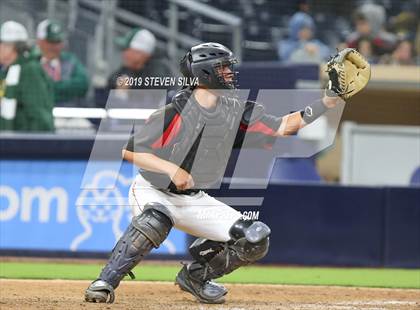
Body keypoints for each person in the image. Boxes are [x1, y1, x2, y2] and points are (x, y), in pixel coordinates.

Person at [84, 42, 341, 304]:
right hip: (153, 190)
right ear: (204, 72)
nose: (229, 72)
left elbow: (283, 126)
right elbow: (131, 152)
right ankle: (105, 282)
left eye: (229, 66)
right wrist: (172, 169)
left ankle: (196, 276)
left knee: (255, 238)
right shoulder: (175, 111)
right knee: (155, 221)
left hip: (194, 199)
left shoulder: (235, 111)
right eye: (223, 67)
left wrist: (328, 101)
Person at [0, 21, 54, 131]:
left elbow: (40, 116)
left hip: (24, 144)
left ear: (10, 47)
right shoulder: (7, 71)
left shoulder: (29, 70)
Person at [35, 19, 89, 106]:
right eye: (51, 42)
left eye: (58, 42)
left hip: (67, 113)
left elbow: (82, 85)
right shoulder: (32, 61)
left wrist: (50, 88)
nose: (55, 47)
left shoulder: (70, 60)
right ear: (40, 42)